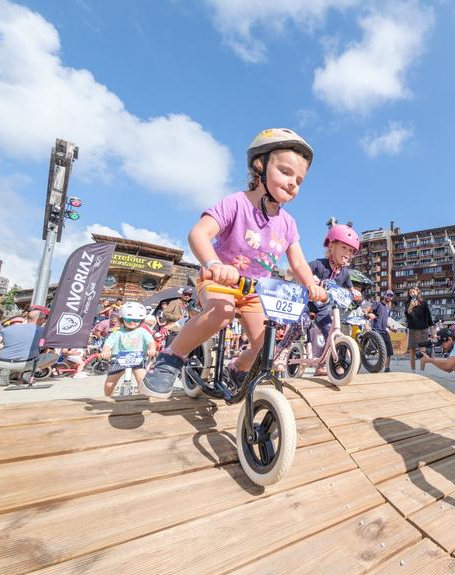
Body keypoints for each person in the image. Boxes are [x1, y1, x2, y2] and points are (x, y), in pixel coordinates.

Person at [141, 128, 328, 398]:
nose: (293, 183)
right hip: (220, 281)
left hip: (254, 290)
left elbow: (297, 262)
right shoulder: (237, 203)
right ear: (260, 165)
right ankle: (170, 358)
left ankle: (237, 369)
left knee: (269, 342)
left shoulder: (288, 223)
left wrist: (312, 284)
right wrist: (215, 263)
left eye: (299, 180)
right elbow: (199, 233)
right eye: (286, 172)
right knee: (222, 312)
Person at [275, 223, 359, 376]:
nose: (348, 252)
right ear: (331, 246)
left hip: (322, 308)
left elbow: (349, 288)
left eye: (351, 250)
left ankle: (324, 363)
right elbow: (299, 270)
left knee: (331, 331)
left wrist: (354, 293)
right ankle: (282, 349)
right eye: (344, 247)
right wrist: (308, 277)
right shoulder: (319, 264)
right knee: (303, 323)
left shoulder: (345, 273)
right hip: (306, 303)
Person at [0, 308, 56, 386]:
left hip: (3, 362)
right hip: (26, 363)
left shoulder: (7, 329)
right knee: (54, 356)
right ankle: (30, 372)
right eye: (44, 319)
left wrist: (2, 353)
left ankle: (0, 374)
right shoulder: (43, 331)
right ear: (41, 319)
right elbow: (54, 344)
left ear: (27, 318)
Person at [100, 302, 156, 396]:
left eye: (137, 320)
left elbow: (150, 342)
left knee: (142, 381)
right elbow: (108, 344)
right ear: (122, 319)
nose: (132, 322)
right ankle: (108, 398)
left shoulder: (143, 332)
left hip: (138, 360)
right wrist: (106, 351)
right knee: (109, 384)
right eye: (129, 319)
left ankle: (142, 398)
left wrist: (152, 349)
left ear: (141, 321)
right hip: (118, 360)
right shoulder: (117, 333)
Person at [364, 290, 396, 372]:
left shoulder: (388, 308)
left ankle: (387, 368)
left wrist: (391, 328)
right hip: (376, 331)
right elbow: (367, 310)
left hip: (384, 331)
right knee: (372, 350)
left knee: (389, 351)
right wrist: (366, 322)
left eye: (391, 296)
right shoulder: (377, 304)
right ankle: (364, 357)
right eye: (388, 295)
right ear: (385, 295)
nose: (390, 297)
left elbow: (385, 320)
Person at [404, 286, 433, 372]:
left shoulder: (424, 303)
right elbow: (407, 314)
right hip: (412, 329)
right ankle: (413, 370)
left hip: (423, 329)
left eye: (413, 292)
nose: (412, 294)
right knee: (412, 350)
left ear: (417, 292)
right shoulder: (408, 303)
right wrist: (411, 306)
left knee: (423, 350)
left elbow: (429, 317)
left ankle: (422, 371)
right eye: (410, 292)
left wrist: (432, 331)